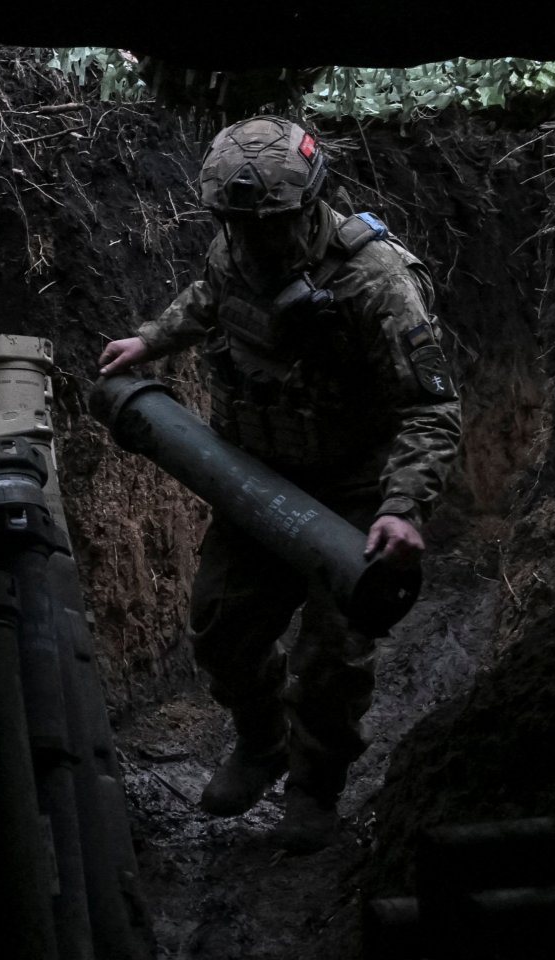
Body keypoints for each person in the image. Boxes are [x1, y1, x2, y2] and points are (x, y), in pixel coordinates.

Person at [97, 115, 462, 852]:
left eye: (266, 224)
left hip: (352, 492)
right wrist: (154, 338)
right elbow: (210, 294)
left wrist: (401, 508)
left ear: (307, 206)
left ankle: (314, 787)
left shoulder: (375, 281)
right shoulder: (238, 243)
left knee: (331, 663)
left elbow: (433, 407)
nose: (251, 238)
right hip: (259, 480)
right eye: (234, 223)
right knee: (221, 628)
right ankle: (259, 744)